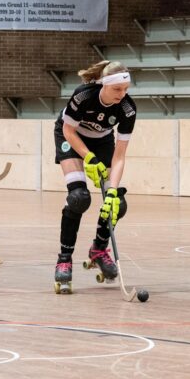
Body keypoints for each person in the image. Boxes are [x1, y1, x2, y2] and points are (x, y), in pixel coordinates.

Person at [52, 60, 136, 293]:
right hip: (71, 136)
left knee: (117, 204)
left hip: (102, 141)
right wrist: (88, 157)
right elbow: (68, 130)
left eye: (126, 89)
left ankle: (98, 249)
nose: (122, 94)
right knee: (79, 198)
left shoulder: (128, 108)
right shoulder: (84, 96)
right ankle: (64, 259)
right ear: (103, 85)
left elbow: (119, 157)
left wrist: (112, 191)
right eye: (117, 89)